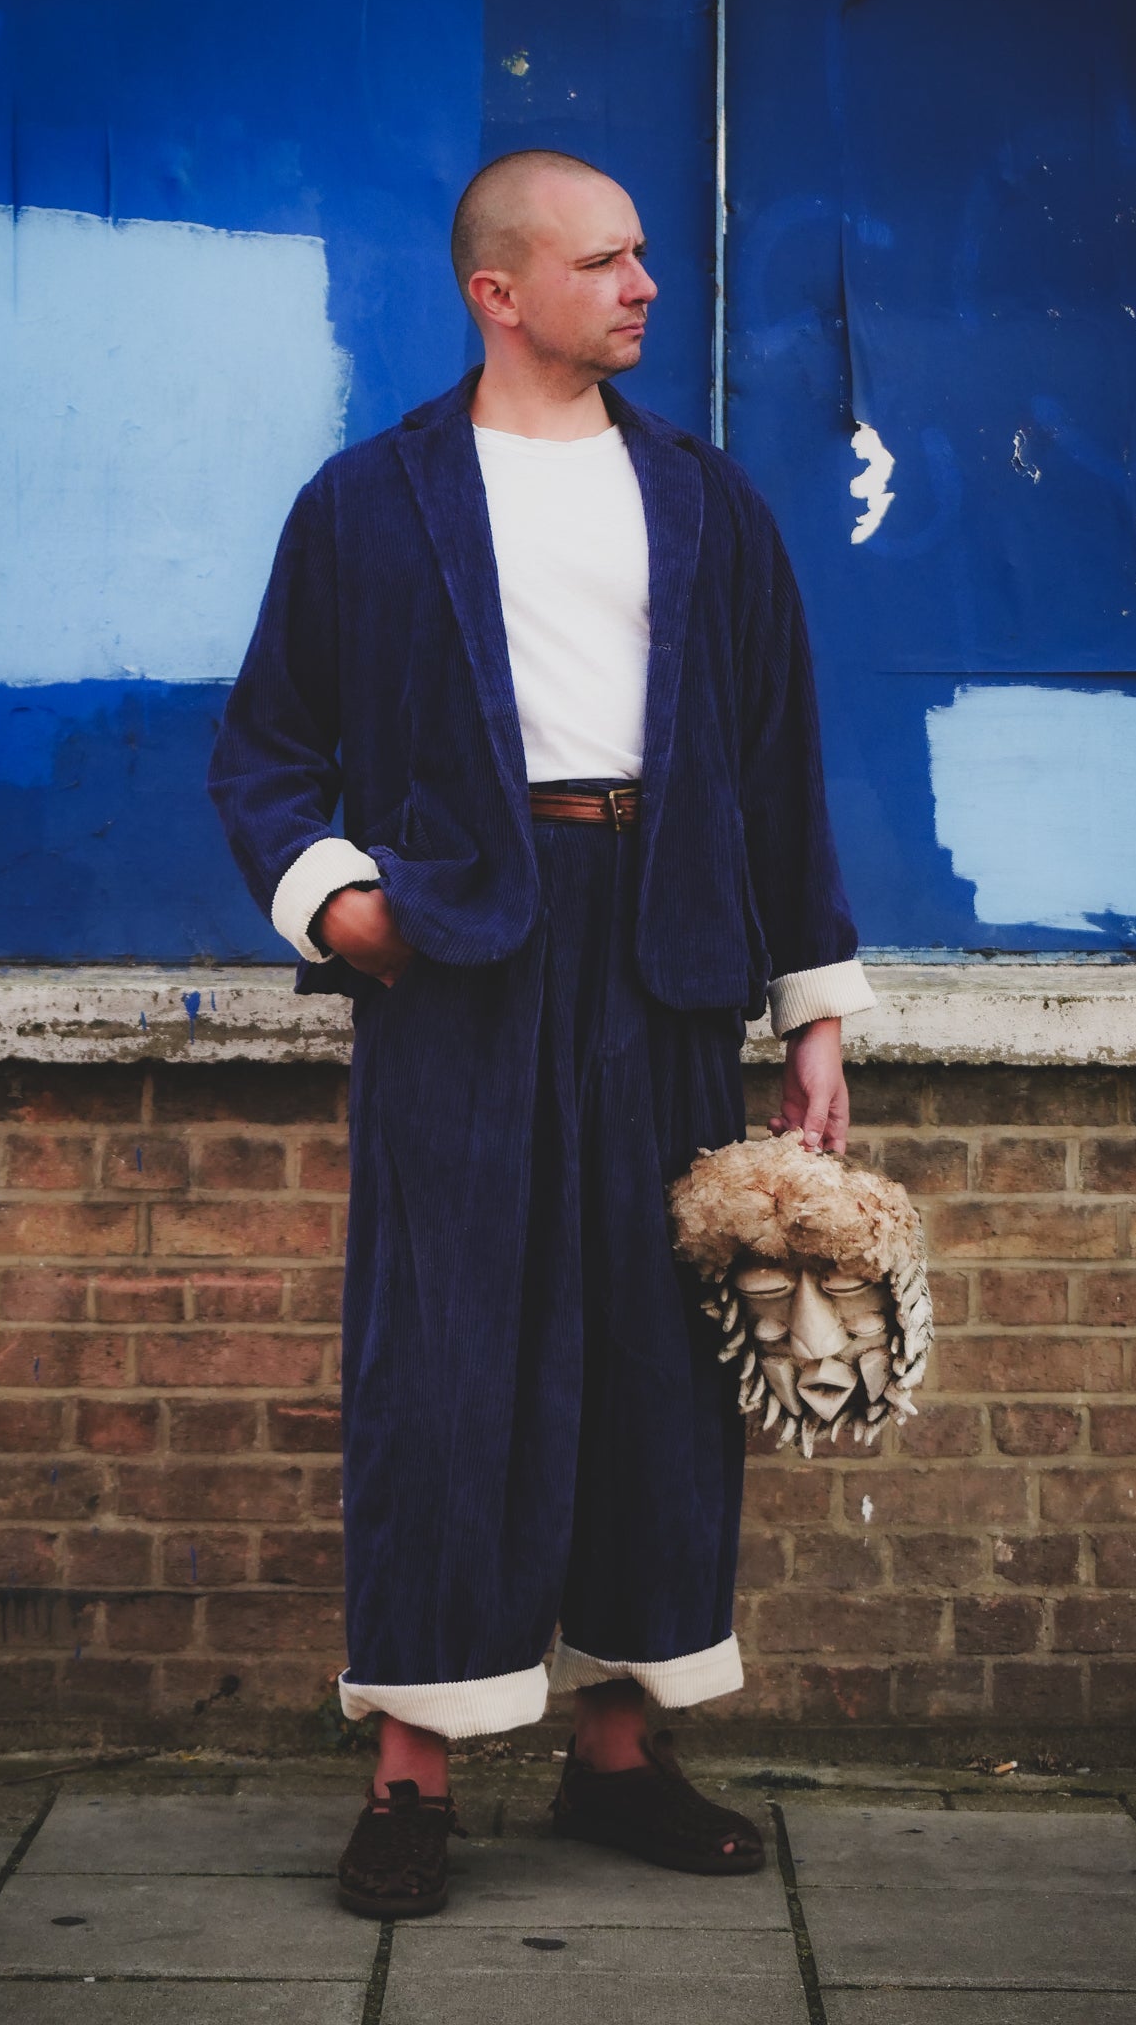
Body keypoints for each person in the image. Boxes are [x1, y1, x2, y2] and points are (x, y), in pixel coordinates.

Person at [207, 148, 875, 1918]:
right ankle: (412, 1777)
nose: (644, 283)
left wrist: (811, 1006)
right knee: (447, 1358)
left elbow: (779, 768)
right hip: (465, 957)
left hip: (663, 955)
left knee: (659, 1356)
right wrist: (347, 911)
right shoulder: (369, 502)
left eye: (646, 254)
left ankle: (619, 1755)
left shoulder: (712, 504)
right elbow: (266, 750)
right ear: (497, 292)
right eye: (605, 260)